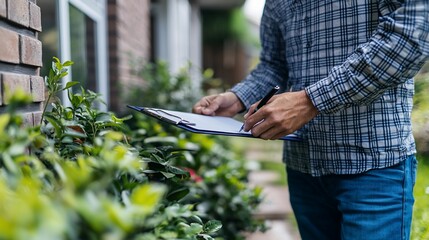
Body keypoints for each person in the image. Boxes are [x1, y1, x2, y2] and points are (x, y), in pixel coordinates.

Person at [193, 0, 429, 239]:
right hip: (303, 168)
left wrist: (310, 100)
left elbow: (410, 37)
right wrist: (236, 99)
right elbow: (273, 66)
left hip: (373, 166)